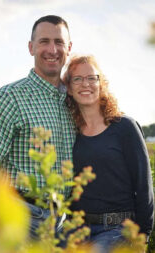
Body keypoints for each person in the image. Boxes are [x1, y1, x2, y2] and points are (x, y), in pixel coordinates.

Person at [0, 15, 76, 238]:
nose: (52, 49)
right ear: (31, 47)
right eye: (44, 41)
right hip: (21, 219)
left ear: (69, 47)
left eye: (59, 42)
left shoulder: (74, 100)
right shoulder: (10, 97)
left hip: (63, 223)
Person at [63, 55, 154, 252]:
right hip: (77, 230)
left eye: (91, 78)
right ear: (69, 88)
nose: (85, 84)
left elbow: (144, 184)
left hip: (118, 229)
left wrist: (143, 236)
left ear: (101, 83)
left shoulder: (125, 127)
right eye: (77, 79)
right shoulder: (70, 132)